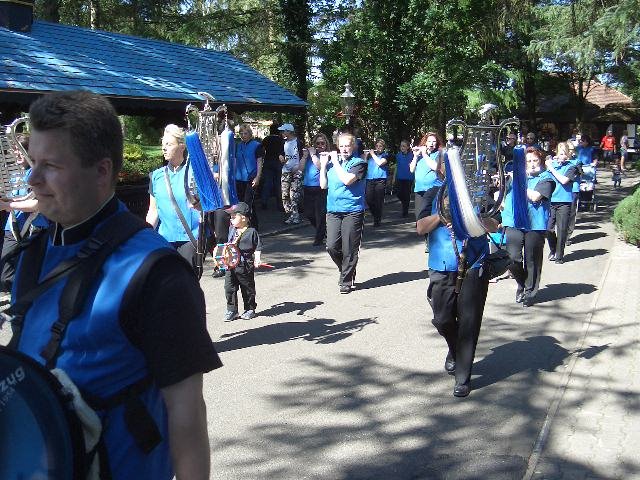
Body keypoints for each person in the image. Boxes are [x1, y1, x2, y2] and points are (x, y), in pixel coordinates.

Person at [10, 91, 220, 479]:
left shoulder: (158, 273)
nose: (32, 178)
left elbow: (187, 414)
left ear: (102, 171)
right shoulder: (35, 250)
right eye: (32, 162)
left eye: (50, 165)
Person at [416, 154, 497, 398]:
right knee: (442, 319)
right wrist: (444, 216)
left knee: (469, 322)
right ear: (441, 168)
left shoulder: (479, 193)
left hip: (473, 263)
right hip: (441, 265)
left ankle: (463, 376)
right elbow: (420, 228)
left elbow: (495, 224)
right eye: (446, 165)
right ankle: (454, 349)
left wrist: (472, 221)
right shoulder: (432, 193)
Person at [502, 147, 555, 307]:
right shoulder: (516, 177)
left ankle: (529, 292)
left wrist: (518, 181)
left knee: (532, 260)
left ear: (541, 162)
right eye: (528, 162)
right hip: (513, 221)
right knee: (512, 258)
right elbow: (504, 195)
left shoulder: (546, 179)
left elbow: (535, 196)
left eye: (535, 161)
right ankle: (522, 282)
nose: (531, 164)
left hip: (535, 225)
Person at [146, 124, 200, 268]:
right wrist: (145, 234)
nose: (164, 148)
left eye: (169, 144)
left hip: (191, 237)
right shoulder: (156, 176)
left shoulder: (195, 172)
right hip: (164, 239)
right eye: (163, 144)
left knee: (186, 284)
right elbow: (153, 211)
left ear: (182, 146)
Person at [320, 132, 367, 294]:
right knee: (331, 246)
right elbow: (323, 186)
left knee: (349, 248)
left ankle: (346, 280)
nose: (344, 149)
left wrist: (334, 162)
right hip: (333, 210)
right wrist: (324, 165)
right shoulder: (334, 163)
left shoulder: (359, 163)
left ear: (353, 146)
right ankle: (347, 269)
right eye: (341, 146)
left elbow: (347, 180)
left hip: (352, 211)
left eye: (347, 145)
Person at [223, 202, 263, 321]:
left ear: (244, 218)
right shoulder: (232, 229)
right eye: (231, 217)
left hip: (245, 264)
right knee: (229, 287)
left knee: (247, 287)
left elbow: (258, 247)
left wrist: (257, 259)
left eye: (234, 217)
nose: (231, 219)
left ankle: (250, 308)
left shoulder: (252, 232)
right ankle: (232, 310)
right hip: (230, 264)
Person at [546, 141, 579, 264]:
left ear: (568, 155)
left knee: (562, 229)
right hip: (551, 201)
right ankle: (553, 249)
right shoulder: (552, 164)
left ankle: (559, 256)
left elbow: (564, 180)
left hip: (565, 202)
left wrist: (551, 168)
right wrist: (548, 164)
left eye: (565, 154)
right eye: (560, 154)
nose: (562, 156)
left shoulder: (571, 166)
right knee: (548, 229)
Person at [301, 132, 330, 246]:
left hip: (321, 188)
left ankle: (319, 238)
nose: (320, 145)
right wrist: (304, 156)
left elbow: (321, 167)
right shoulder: (309, 155)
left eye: (322, 143)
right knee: (309, 214)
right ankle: (324, 231)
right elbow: (300, 168)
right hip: (308, 187)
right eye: (317, 143)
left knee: (320, 215)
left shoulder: (326, 155)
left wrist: (313, 155)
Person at [235, 123, 264, 230]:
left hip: (251, 178)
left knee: (248, 203)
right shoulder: (238, 145)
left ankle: (253, 226)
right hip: (239, 178)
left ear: (250, 134)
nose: (243, 135)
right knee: (241, 203)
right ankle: (245, 225)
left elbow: (259, 161)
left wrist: (258, 177)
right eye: (241, 133)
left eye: (245, 133)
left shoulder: (257, 145)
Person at [410, 132, 444, 222]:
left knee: (428, 216)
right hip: (419, 189)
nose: (431, 143)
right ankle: (426, 235)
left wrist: (424, 154)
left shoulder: (438, 154)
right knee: (419, 217)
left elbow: (435, 167)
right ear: (425, 143)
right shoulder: (420, 156)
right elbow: (411, 169)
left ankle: (429, 235)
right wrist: (415, 156)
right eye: (429, 141)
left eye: (434, 141)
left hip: (432, 189)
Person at [278, 123, 306, 224]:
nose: (282, 133)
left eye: (283, 131)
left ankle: (296, 215)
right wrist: (280, 157)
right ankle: (290, 214)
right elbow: (281, 153)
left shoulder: (299, 142)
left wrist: (299, 168)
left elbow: (304, 156)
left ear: (289, 131)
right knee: (284, 194)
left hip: (296, 171)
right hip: (286, 170)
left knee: (294, 194)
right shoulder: (283, 142)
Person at [364, 138, 389, 227]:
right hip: (370, 179)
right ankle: (375, 215)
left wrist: (372, 154)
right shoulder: (371, 156)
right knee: (369, 199)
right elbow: (364, 165)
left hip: (380, 180)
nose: (378, 148)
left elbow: (379, 163)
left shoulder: (385, 155)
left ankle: (377, 220)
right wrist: (366, 156)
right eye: (377, 146)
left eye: (380, 146)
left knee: (378, 201)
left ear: (383, 147)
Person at [260, 123, 284, 211]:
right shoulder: (281, 140)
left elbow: (261, 150)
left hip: (268, 162)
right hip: (278, 163)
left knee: (267, 183)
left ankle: (264, 202)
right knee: (278, 184)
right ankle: (280, 204)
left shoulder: (266, 139)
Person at [394, 139, 415, 218]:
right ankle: (404, 203)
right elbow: (396, 166)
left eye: (404, 146)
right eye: (401, 146)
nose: (402, 147)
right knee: (399, 193)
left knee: (406, 195)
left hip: (409, 178)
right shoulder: (398, 155)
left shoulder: (412, 155)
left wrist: (415, 178)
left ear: (407, 147)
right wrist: (393, 178)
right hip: (399, 177)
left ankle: (405, 211)